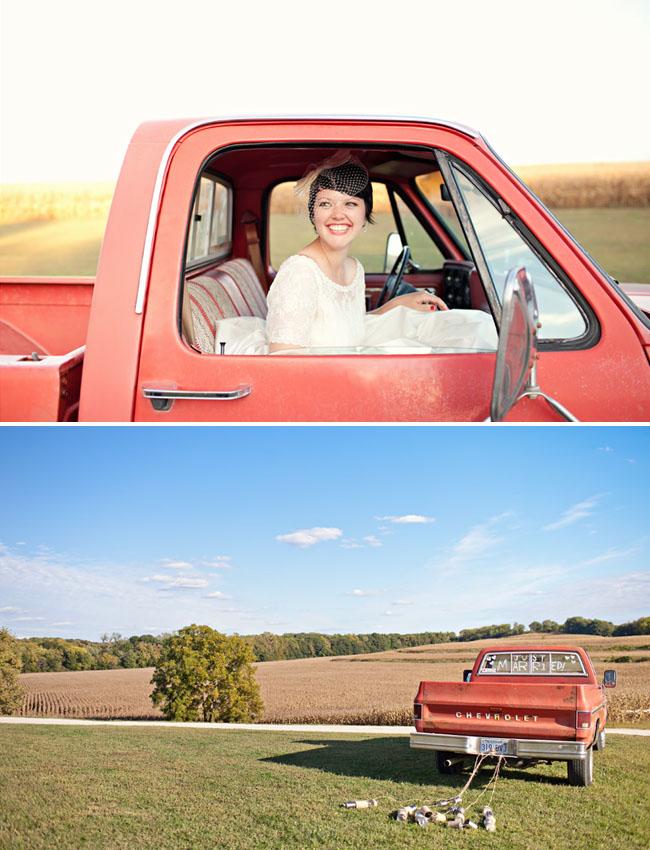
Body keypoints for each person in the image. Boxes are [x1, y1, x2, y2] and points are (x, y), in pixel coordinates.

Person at [266, 152, 450, 353]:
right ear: (313, 214)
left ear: (365, 215)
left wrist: (397, 305)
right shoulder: (299, 274)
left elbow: (352, 328)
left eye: (350, 204)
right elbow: (283, 363)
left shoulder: (354, 268)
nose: (337, 214)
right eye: (325, 204)